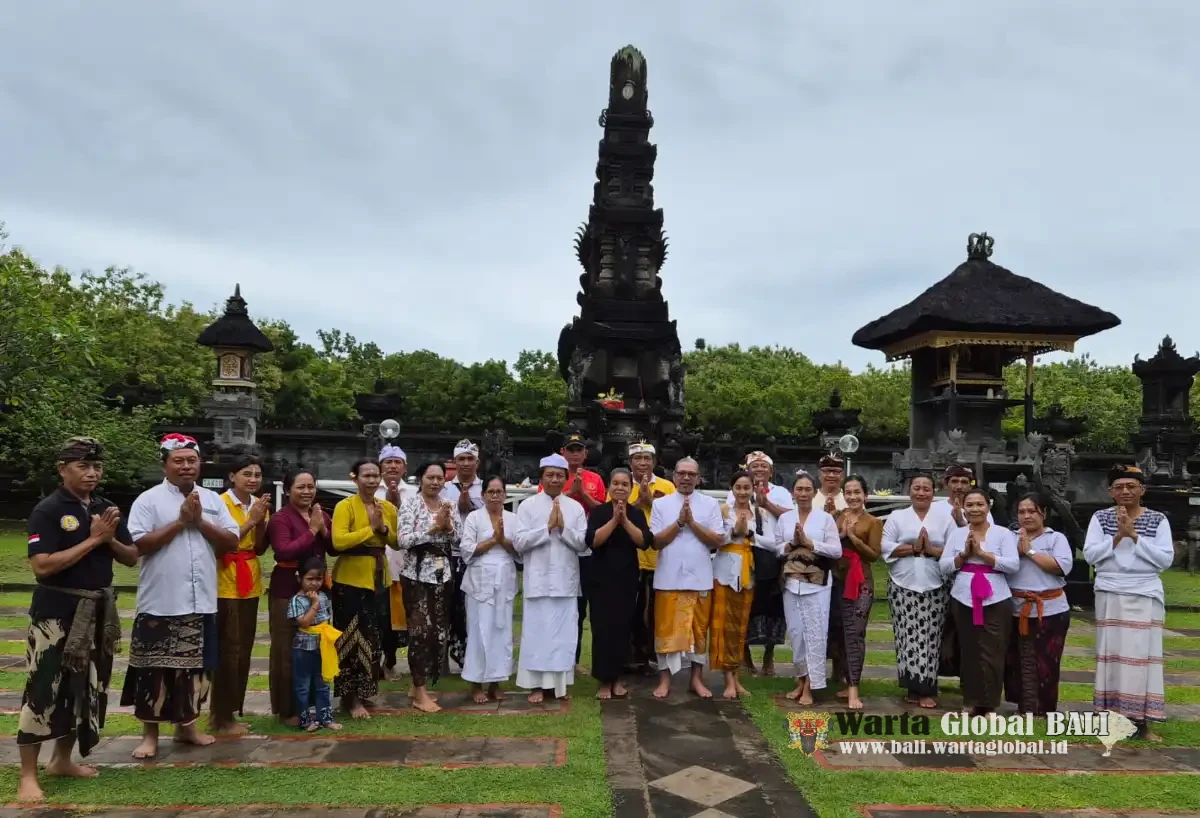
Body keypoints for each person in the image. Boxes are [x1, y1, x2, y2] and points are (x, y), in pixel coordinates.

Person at [17, 437, 138, 803]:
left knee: (84, 687)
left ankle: (62, 760)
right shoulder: (49, 510)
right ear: (62, 469)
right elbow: (42, 566)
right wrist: (93, 540)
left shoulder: (105, 507)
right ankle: (27, 775)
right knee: (43, 688)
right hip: (56, 614)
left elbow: (131, 556)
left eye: (97, 466)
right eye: (83, 466)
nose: (91, 473)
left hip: (97, 611)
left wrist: (109, 539)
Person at [122, 433, 240, 760]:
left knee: (195, 671)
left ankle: (187, 727)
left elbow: (231, 541)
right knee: (153, 670)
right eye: (179, 461)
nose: (186, 466)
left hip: (201, 599)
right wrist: (180, 522)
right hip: (160, 600)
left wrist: (198, 521)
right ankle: (149, 735)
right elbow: (139, 544)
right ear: (165, 465)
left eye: (192, 460)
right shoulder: (148, 500)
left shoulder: (212, 500)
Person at [1084, 464, 1174, 741]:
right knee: (1111, 656)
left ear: (1142, 490)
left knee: (1141, 658)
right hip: (1110, 592)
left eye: (1131, 486)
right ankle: (1110, 719)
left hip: (1145, 593)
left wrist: (1134, 535)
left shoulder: (1158, 519)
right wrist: (1118, 536)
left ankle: (1141, 722)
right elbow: (1090, 556)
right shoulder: (1100, 518)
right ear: (1111, 492)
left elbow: (1165, 560)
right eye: (1119, 487)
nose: (1125, 491)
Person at [515, 454, 589, 703]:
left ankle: (559, 686)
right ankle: (536, 685)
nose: (555, 479)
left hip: (565, 581)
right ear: (542, 478)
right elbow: (519, 543)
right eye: (550, 475)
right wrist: (546, 528)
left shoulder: (575, 507)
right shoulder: (527, 506)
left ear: (567, 478)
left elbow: (583, 545)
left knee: (562, 635)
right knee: (537, 635)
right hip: (538, 581)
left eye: (559, 475)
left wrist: (563, 528)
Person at [649, 457, 725, 699]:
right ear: (674, 477)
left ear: (698, 478)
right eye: (682, 473)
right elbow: (656, 542)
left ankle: (696, 679)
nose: (686, 477)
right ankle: (665, 680)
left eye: (691, 474)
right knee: (665, 630)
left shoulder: (710, 504)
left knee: (699, 631)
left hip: (699, 576)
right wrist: (679, 522)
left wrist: (692, 522)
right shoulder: (661, 505)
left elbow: (717, 540)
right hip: (668, 577)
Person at [940, 487, 1019, 716]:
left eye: (979, 504)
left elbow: (1013, 565)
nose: (975, 509)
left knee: (993, 650)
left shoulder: (1002, 533)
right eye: (970, 505)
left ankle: (989, 703)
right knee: (969, 649)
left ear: (988, 506)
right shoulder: (957, 534)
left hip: (995, 597)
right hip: (963, 596)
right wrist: (964, 555)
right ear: (963, 508)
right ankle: (970, 700)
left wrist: (983, 555)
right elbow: (944, 566)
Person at [330, 458, 399, 719]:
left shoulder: (387, 507)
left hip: (378, 578)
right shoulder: (345, 506)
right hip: (350, 580)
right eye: (366, 475)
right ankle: (350, 698)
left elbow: (397, 541)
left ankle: (366, 691)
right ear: (355, 478)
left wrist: (382, 528)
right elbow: (338, 541)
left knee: (373, 637)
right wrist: (370, 529)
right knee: (350, 639)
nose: (371, 480)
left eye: (375, 475)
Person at [880, 473, 954, 709]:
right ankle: (912, 686)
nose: (921, 492)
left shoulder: (945, 518)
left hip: (935, 585)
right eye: (917, 488)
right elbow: (885, 546)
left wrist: (931, 549)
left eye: (926, 488)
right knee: (906, 636)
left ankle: (927, 689)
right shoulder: (897, 517)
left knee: (930, 638)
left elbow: (954, 551)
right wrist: (913, 548)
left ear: (933, 492)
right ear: (909, 490)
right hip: (902, 585)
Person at [264, 470, 331, 726]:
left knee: (314, 647)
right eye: (300, 487)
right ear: (288, 490)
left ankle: (311, 705)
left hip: (317, 588)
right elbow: (283, 551)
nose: (306, 491)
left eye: (310, 486)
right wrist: (312, 531)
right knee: (286, 649)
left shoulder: (320, 514)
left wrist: (324, 530)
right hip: (287, 588)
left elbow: (334, 547)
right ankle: (288, 709)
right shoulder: (280, 519)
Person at [211, 454, 271, 736]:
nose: (253, 479)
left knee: (244, 649)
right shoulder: (218, 504)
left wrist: (261, 522)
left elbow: (258, 548)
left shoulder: (258, 505)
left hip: (250, 580)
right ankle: (220, 715)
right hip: (224, 582)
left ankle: (232, 711)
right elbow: (221, 544)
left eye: (257, 475)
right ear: (232, 476)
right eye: (247, 474)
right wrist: (251, 520)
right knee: (228, 650)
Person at [397, 461, 461, 713]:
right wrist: (433, 529)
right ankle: (420, 690)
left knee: (437, 632)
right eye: (430, 477)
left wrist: (449, 527)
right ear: (420, 479)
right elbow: (403, 540)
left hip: (443, 575)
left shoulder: (449, 504)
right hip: (416, 575)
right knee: (420, 632)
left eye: (439, 478)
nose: (435, 482)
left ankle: (418, 684)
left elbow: (459, 539)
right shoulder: (411, 504)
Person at [585, 468, 652, 700]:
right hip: (601, 579)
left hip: (626, 579)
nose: (620, 488)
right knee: (603, 630)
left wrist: (624, 520)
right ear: (609, 487)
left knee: (623, 629)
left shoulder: (636, 513)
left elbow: (643, 541)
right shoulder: (599, 512)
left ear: (631, 488)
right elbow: (593, 541)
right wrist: (614, 520)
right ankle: (604, 680)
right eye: (616, 483)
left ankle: (617, 678)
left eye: (625, 484)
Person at [776, 471, 841, 705]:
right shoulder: (785, 519)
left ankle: (811, 687)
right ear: (793, 492)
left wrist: (809, 543)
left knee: (815, 635)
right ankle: (801, 680)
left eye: (807, 489)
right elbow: (776, 548)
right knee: (796, 633)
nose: (803, 493)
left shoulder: (825, 519)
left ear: (814, 493)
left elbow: (836, 551)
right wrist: (791, 544)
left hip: (817, 585)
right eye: (799, 489)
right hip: (791, 583)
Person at [1005, 493, 1073, 716]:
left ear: (1043, 513)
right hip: (1016, 607)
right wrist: (1017, 550)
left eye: (1032, 511)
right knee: (1019, 659)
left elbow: (1060, 567)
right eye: (1021, 512)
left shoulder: (1056, 538)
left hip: (1051, 608)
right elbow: (1000, 563)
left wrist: (1030, 551)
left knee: (1047, 661)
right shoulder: (1009, 538)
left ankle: (1043, 709)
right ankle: (1024, 706)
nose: (1026, 516)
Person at [460, 476, 520, 704]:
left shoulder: (513, 518)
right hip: (479, 581)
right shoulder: (474, 517)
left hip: (504, 580)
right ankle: (475, 684)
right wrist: (493, 540)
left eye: (499, 491)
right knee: (478, 632)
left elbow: (520, 552)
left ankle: (495, 683)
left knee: (501, 632)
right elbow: (467, 550)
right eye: (490, 491)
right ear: (483, 495)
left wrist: (502, 540)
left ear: (505, 494)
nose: (495, 495)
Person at [731, 451, 791, 677]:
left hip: (773, 552)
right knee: (746, 604)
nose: (759, 469)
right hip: (744, 552)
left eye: (763, 466)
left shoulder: (781, 492)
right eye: (754, 466)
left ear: (771, 471)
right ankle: (744, 655)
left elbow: (791, 517)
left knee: (774, 606)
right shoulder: (738, 490)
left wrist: (767, 504)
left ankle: (769, 655)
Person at [829, 475, 882, 710]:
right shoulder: (837, 516)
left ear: (865, 495)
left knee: (855, 633)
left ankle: (854, 689)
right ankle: (840, 678)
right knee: (839, 631)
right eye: (848, 492)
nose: (852, 497)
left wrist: (852, 538)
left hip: (861, 582)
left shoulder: (873, 522)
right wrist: (840, 533)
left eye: (857, 492)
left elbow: (874, 555)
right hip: (837, 579)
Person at [556, 432, 606, 673]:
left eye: (579, 450)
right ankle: (564, 658)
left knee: (585, 606)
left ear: (586, 453)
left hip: (590, 551)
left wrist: (582, 494)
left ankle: (577, 661)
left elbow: (603, 511)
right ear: (563, 452)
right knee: (566, 605)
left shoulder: (595, 479)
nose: (575, 454)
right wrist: (569, 493)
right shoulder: (555, 476)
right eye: (571, 449)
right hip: (563, 549)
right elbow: (546, 505)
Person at [625, 441, 675, 674]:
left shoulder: (667, 486)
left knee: (656, 611)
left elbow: (676, 519)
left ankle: (653, 656)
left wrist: (652, 502)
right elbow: (612, 515)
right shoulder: (622, 484)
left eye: (647, 459)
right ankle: (631, 656)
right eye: (638, 458)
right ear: (630, 463)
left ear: (654, 462)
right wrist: (638, 503)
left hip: (659, 558)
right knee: (632, 609)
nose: (642, 463)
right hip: (631, 557)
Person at [712, 471, 757, 700]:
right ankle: (728, 679)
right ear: (732, 489)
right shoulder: (723, 511)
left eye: (746, 487)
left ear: (753, 489)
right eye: (738, 487)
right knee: (724, 626)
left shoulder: (759, 513)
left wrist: (749, 533)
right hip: (725, 572)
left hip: (748, 573)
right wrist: (734, 532)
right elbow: (715, 539)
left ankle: (736, 677)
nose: (742, 492)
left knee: (740, 627)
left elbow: (771, 542)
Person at [441, 439, 484, 672]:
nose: (466, 463)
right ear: (454, 462)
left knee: (470, 608)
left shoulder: (486, 488)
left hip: (476, 556)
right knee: (447, 606)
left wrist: (472, 507)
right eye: (461, 459)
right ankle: (442, 660)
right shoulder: (444, 488)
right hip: (449, 555)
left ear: (478, 462)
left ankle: (471, 657)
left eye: (470, 459)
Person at [288, 557, 343, 732]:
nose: (314, 583)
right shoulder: (296, 600)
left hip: (323, 646)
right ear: (299, 578)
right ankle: (305, 720)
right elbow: (304, 623)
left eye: (318, 579)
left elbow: (327, 620)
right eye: (310, 579)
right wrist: (314, 604)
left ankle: (325, 718)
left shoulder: (324, 596)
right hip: (303, 648)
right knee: (303, 686)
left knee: (324, 683)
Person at [377, 444, 415, 679]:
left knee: (402, 618)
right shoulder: (371, 490)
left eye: (397, 462)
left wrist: (397, 504)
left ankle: (392, 661)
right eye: (388, 462)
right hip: (377, 565)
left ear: (404, 467)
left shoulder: (414, 493)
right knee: (380, 617)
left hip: (404, 564)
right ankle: (378, 662)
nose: (392, 466)